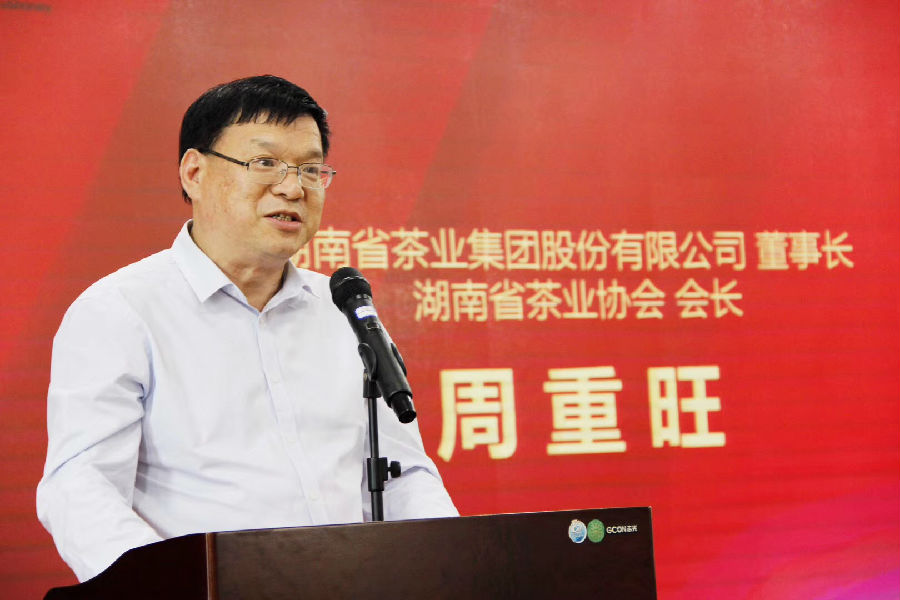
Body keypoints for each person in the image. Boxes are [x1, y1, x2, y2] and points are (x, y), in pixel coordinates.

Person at [36, 75, 458, 582]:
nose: (292, 187)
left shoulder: (344, 311)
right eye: (265, 162)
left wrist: (450, 572)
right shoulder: (122, 312)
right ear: (194, 172)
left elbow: (404, 474)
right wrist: (170, 588)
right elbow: (81, 487)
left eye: (310, 169)